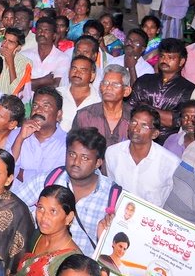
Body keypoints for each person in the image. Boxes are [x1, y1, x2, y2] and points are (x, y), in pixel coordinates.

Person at [16, 128, 118, 256]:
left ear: (98, 162)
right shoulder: (47, 180)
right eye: (72, 154)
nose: (76, 162)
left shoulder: (113, 197)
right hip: (41, 261)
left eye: (85, 158)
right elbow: (12, 205)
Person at [104, 105, 180, 207]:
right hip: (120, 215)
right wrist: (111, 210)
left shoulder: (171, 163)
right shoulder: (113, 153)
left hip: (151, 219)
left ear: (155, 134)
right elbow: (113, 188)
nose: (136, 129)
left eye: (144, 126)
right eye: (134, 122)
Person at [128, 38, 195, 131]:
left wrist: (145, 107)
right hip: (139, 132)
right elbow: (130, 109)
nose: (165, 60)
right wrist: (164, 115)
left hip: (169, 140)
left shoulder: (188, 88)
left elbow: (176, 120)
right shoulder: (144, 80)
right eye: (162, 56)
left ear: (181, 61)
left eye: (170, 57)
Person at [15, 185, 82, 275]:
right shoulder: (37, 235)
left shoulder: (73, 261)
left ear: (69, 217)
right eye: (40, 208)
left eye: (53, 211)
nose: (44, 217)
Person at [11, 86, 67, 188]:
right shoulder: (16, 134)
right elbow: (7, 169)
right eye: (35, 106)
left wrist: (23, 173)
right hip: (14, 200)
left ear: (58, 115)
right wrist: (20, 138)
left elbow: (55, 182)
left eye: (45, 106)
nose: (38, 110)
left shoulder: (67, 143)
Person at [71, 64, 133, 145]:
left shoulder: (134, 117)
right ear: (100, 87)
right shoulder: (84, 116)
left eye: (115, 84)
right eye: (105, 83)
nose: (109, 87)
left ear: (126, 91)